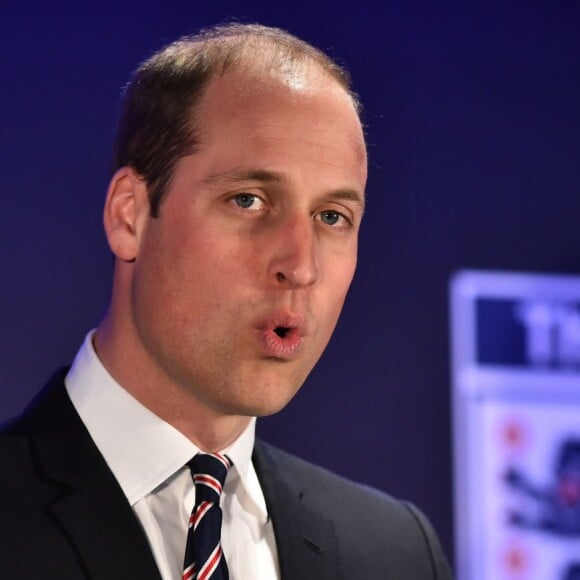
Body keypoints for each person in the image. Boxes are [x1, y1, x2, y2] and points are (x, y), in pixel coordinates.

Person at [0, 23, 452, 579]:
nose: (301, 266)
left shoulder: (396, 555)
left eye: (332, 217)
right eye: (249, 200)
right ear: (129, 215)